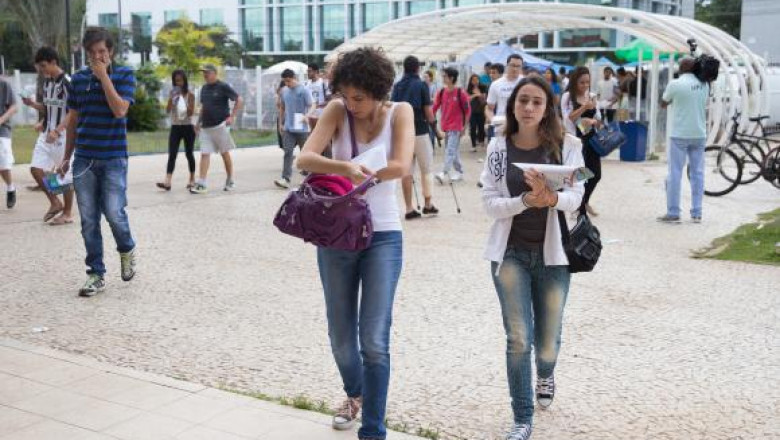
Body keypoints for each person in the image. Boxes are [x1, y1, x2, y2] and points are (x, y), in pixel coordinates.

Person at [296, 47, 414, 440]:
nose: (351, 104)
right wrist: (343, 167)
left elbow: (401, 165)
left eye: (359, 97)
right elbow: (305, 158)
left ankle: (373, 430)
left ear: (379, 92)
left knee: (374, 341)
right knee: (341, 338)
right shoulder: (336, 111)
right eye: (345, 95)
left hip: (383, 235)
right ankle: (356, 392)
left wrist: (363, 174)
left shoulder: (400, 112)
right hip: (337, 234)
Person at [480, 75, 584, 440]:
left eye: (537, 101)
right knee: (519, 338)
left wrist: (551, 199)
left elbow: (577, 196)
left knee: (548, 340)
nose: (528, 107)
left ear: (548, 108)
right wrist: (525, 201)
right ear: (512, 105)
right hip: (509, 255)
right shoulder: (497, 147)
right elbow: (489, 203)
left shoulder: (568, 145)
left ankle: (546, 372)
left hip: (554, 258)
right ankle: (522, 418)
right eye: (522, 100)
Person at [58, 26, 137, 297]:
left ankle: (126, 248)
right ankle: (96, 273)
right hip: (84, 160)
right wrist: (66, 156)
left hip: (113, 157)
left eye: (101, 51)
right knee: (89, 220)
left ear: (110, 51)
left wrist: (103, 77)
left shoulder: (124, 74)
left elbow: (120, 110)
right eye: (92, 53)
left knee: (114, 213)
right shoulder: (78, 80)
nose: (97, 57)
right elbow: (73, 119)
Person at [20, 47, 73, 224]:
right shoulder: (48, 83)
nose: (41, 70)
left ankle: (67, 213)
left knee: (64, 173)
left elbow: (74, 111)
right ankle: (55, 202)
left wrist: (58, 130)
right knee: (36, 168)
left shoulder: (67, 82)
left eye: (43, 66)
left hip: (62, 136)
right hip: (46, 134)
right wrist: (32, 105)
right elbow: (49, 108)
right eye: (39, 66)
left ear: (53, 62)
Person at [658, 57, 709, 224]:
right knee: (698, 173)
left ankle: (673, 212)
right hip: (699, 134)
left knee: (675, 173)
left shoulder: (675, 84)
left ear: (681, 68)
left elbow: (663, 103)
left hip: (680, 134)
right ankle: (697, 212)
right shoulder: (705, 84)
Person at [391, 55, 438, 219]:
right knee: (427, 169)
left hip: (402, 133)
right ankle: (428, 205)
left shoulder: (397, 86)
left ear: (404, 68)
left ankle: (409, 208)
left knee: (406, 171)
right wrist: (437, 131)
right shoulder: (422, 85)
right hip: (420, 131)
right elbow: (429, 112)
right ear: (418, 68)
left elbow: (392, 110)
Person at [190, 64, 242, 195]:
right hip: (206, 127)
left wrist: (232, 116)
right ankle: (202, 183)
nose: (205, 75)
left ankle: (230, 180)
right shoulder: (204, 88)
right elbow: (203, 107)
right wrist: (198, 123)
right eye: (204, 73)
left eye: (207, 73)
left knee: (224, 153)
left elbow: (239, 99)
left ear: (214, 73)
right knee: (204, 153)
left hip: (220, 125)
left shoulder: (223, 86)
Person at [561, 66, 602, 217]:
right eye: (582, 82)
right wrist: (584, 107)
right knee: (581, 174)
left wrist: (593, 121)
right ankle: (578, 208)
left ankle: (584, 202)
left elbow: (599, 119)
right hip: (576, 140)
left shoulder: (592, 96)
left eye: (587, 82)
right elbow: (568, 118)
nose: (585, 85)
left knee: (595, 174)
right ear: (574, 82)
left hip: (592, 139)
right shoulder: (567, 97)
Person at [274, 68, 313, 189]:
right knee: (288, 152)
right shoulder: (284, 91)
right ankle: (285, 178)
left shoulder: (303, 90)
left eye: (289, 81)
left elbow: (312, 105)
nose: (287, 83)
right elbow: (282, 107)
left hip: (301, 127)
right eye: (285, 81)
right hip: (288, 127)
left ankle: (308, 178)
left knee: (305, 153)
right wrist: (280, 124)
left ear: (294, 78)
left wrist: (307, 115)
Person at [157, 69, 196, 191]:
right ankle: (167, 181)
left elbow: (190, 113)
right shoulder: (172, 93)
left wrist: (182, 101)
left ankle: (192, 179)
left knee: (189, 154)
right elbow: (167, 110)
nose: (179, 83)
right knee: (172, 154)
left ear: (185, 81)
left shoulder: (190, 95)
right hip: (175, 127)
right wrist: (172, 99)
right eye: (176, 81)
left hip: (188, 127)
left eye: (180, 80)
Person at [432, 67, 470, 183]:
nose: (443, 78)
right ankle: (459, 172)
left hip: (456, 127)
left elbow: (467, 111)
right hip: (446, 126)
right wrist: (429, 117)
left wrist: (464, 127)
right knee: (453, 150)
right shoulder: (441, 92)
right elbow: (434, 107)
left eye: (445, 76)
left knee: (450, 150)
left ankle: (443, 172)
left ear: (451, 78)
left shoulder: (460, 93)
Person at [486, 54, 524, 136]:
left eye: (518, 66)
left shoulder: (526, 82)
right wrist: (493, 121)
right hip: (502, 125)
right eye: (512, 65)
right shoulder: (496, 84)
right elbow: (489, 108)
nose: (515, 69)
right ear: (507, 66)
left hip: (521, 125)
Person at [0, 76, 18, 209]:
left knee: (3, 164)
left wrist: (1, 120)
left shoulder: (4, 84)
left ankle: (11, 188)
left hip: (2, 129)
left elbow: (14, 107)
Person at [305, 63, 330, 131]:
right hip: (310, 115)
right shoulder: (307, 84)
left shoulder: (323, 83)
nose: (308, 73)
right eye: (307, 71)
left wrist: (318, 105)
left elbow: (329, 100)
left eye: (309, 71)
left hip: (321, 115)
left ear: (316, 71)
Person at [467, 73, 488, 152]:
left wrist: (478, 94)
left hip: (481, 111)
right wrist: (476, 95)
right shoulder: (469, 89)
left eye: (477, 80)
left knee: (481, 127)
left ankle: (482, 142)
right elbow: (467, 99)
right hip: (472, 111)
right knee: (472, 128)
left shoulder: (483, 87)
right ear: (471, 81)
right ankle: (473, 145)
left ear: (479, 80)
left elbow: (484, 100)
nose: (475, 81)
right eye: (473, 80)